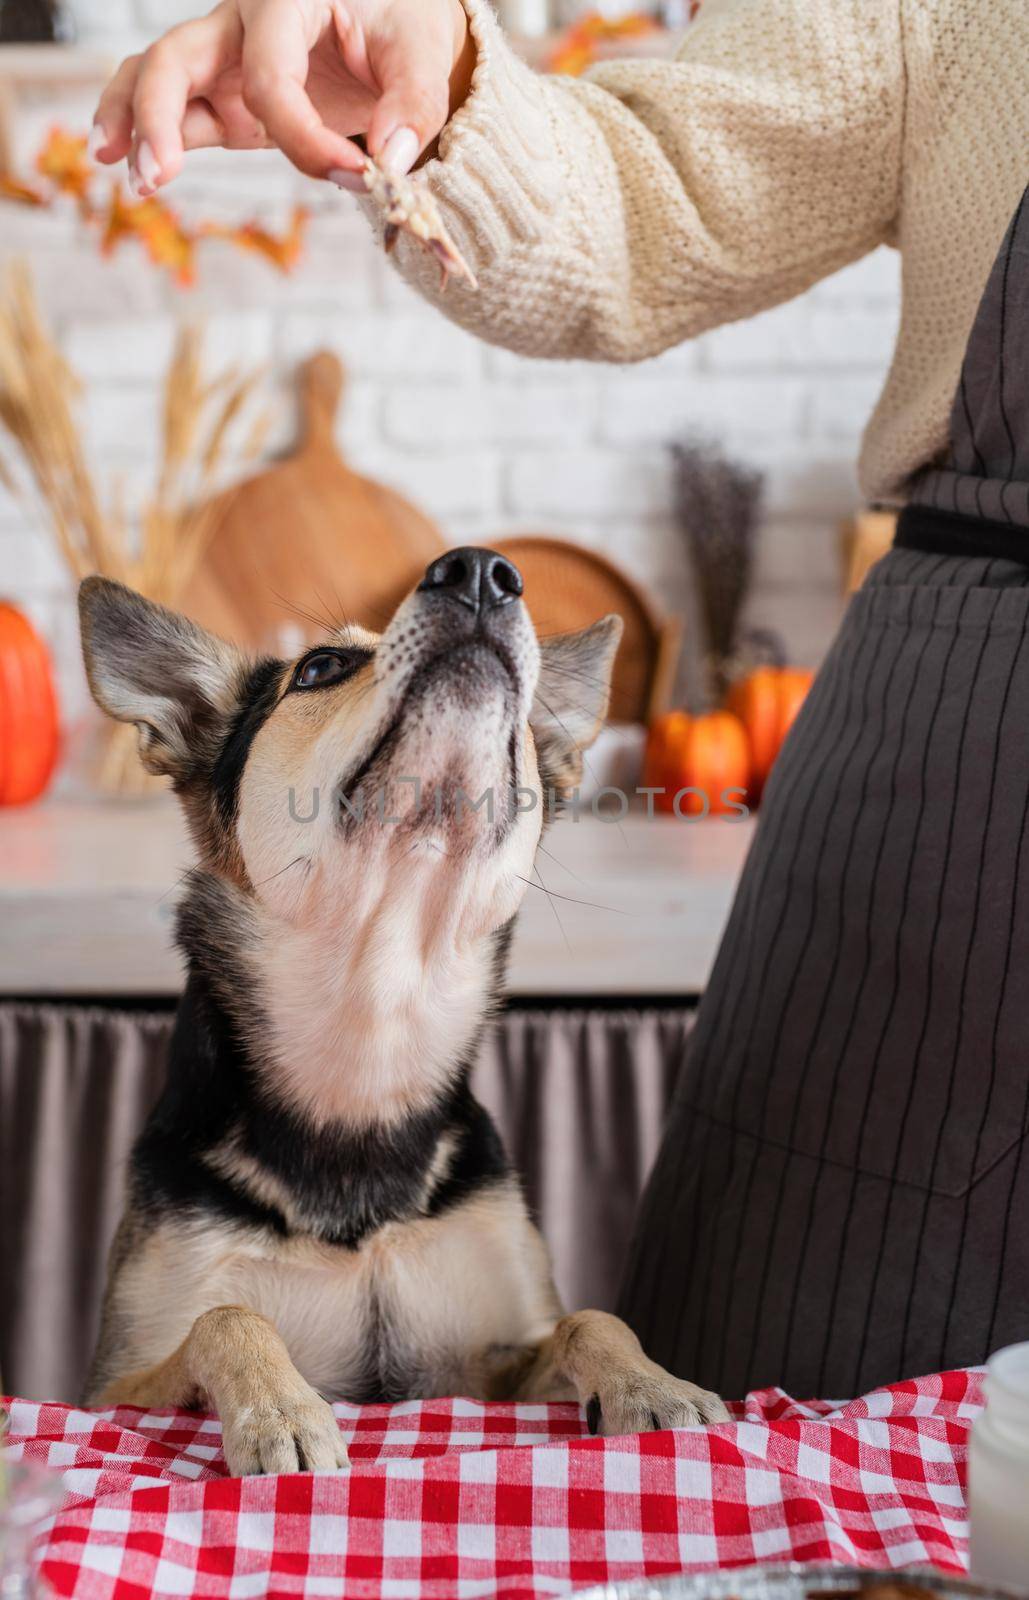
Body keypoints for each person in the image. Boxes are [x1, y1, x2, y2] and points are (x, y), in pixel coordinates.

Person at [92, 0, 1029, 1399]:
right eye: (332, 666)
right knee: (776, 1468)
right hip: (971, 769)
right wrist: (434, 77)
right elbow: (640, 207)